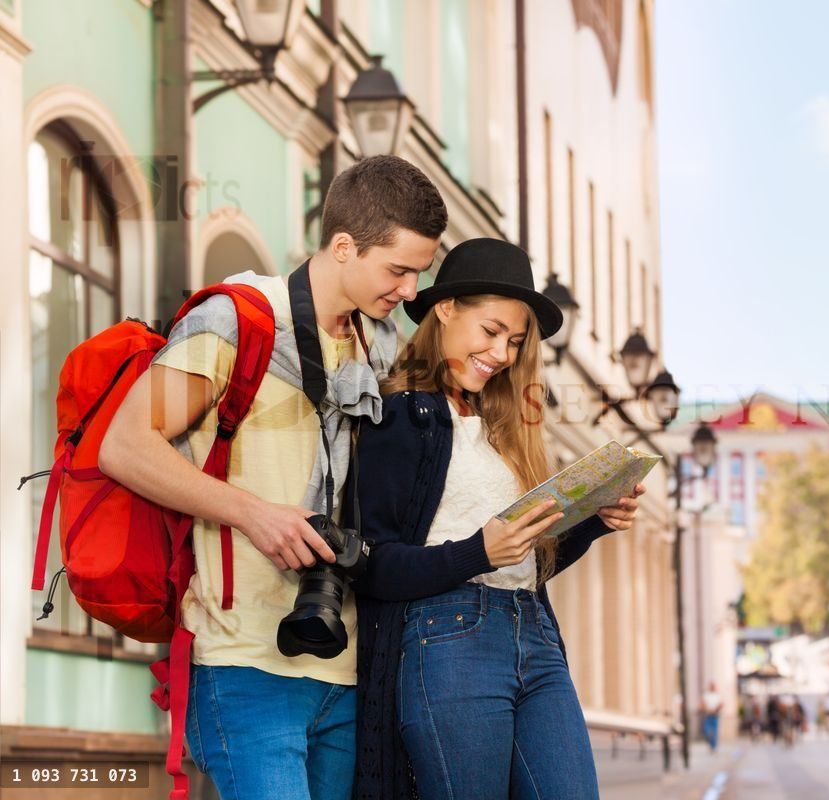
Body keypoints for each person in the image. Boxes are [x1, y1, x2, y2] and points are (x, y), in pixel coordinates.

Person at [98, 156, 445, 799]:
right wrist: (256, 514)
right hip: (243, 663)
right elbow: (124, 446)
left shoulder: (383, 348)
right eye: (397, 269)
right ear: (344, 246)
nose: (407, 289)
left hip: (346, 666)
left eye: (417, 273)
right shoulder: (239, 320)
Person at [350, 238, 646, 800]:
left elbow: (525, 562)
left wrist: (593, 520)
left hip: (533, 631)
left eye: (514, 341)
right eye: (490, 332)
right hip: (448, 638)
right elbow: (375, 566)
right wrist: (477, 553)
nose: (503, 354)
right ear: (444, 308)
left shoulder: (504, 428)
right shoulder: (400, 414)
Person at [701, 682, 724, 752]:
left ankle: (713, 746)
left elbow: (721, 704)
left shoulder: (717, 695)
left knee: (714, 732)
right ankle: (709, 743)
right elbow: (702, 703)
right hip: (708, 715)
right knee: (707, 731)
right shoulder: (706, 695)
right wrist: (706, 709)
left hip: (715, 716)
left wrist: (716, 710)